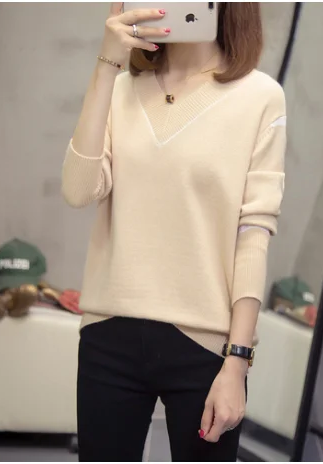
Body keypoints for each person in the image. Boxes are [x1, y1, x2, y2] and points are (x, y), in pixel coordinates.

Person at [62, 2, 286, 461]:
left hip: (206, 348)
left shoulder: (260, 97)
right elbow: (78, 190)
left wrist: (237, 361)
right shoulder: (120, 89)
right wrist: (106, 65)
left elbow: (253, 233)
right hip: (109, 335)